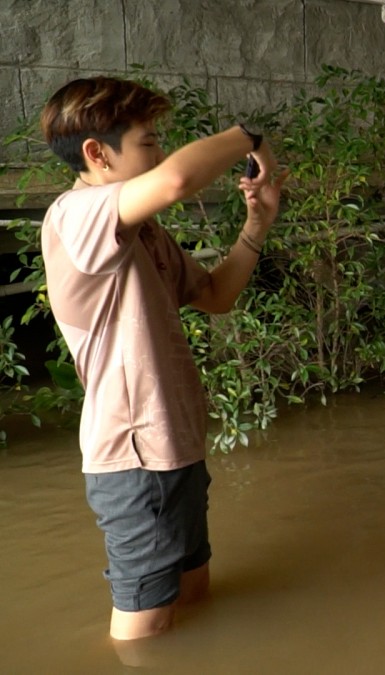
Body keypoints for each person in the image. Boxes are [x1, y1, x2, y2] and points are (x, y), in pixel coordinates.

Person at [39, 76, 287, 640]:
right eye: (148, 142)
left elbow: (216, 298)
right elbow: (176, 180)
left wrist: (257, 222)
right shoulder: (75, 215)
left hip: (175, 447)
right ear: (96, 154)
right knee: (143, 633)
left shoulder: (146, 235)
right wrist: (248, 136)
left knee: (195, 596)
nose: (159, 155)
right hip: (132, 461)